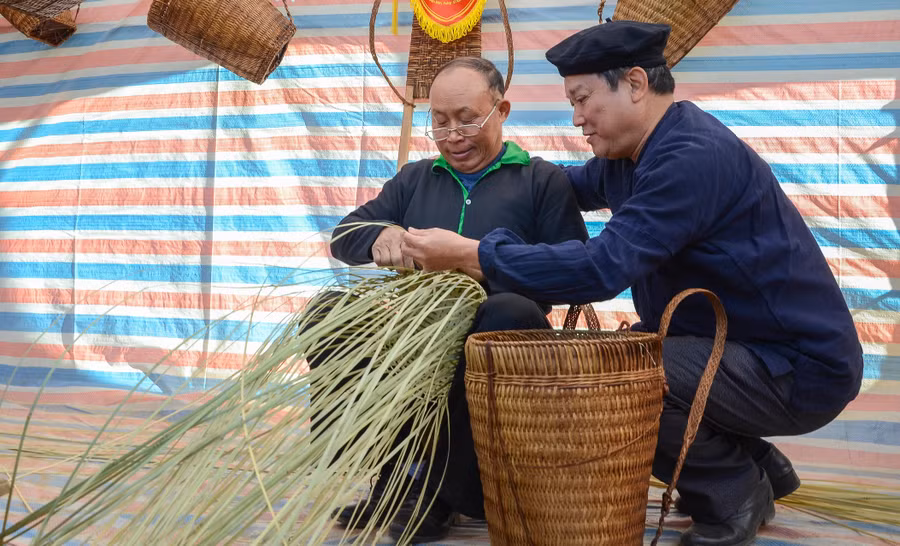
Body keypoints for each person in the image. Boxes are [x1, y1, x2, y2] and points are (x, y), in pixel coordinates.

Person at [402, 21, 864, 546]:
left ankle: (733, 489)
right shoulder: (629, 157)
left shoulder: (689, 156)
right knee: (628, 353)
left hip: (797, 366)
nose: (576, 118)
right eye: (443, 123)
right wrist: (484, 171)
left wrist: (475, 254)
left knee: (618, 377)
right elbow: (551, 189)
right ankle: (758, 462)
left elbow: (602, 268)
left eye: (582, 99)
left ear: (636, 83)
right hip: (730, 349)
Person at [326, 57, 589, 542]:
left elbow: (574, 271)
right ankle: (393, 475)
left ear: (502, 110)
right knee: (332, 311)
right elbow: (344, 235)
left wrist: (480, 264)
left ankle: (445, 490)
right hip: (415, 333)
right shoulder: (416, 178)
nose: (453, 136)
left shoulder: (539, 180)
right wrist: (380, 233)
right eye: (440, 122)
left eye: (468, 118)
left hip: (499, 345)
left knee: (506, 310)